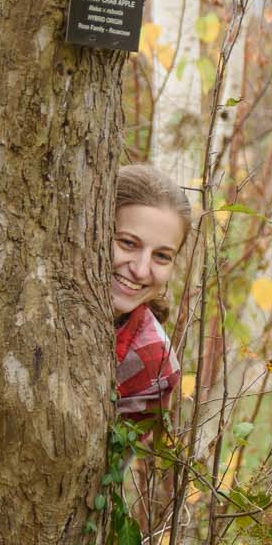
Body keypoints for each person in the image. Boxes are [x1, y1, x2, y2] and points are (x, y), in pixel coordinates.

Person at [112, 162, 190, 420]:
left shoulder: (154, 362)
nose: (142, 270)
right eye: (127, 243)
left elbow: (109, 460)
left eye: (161, 256)